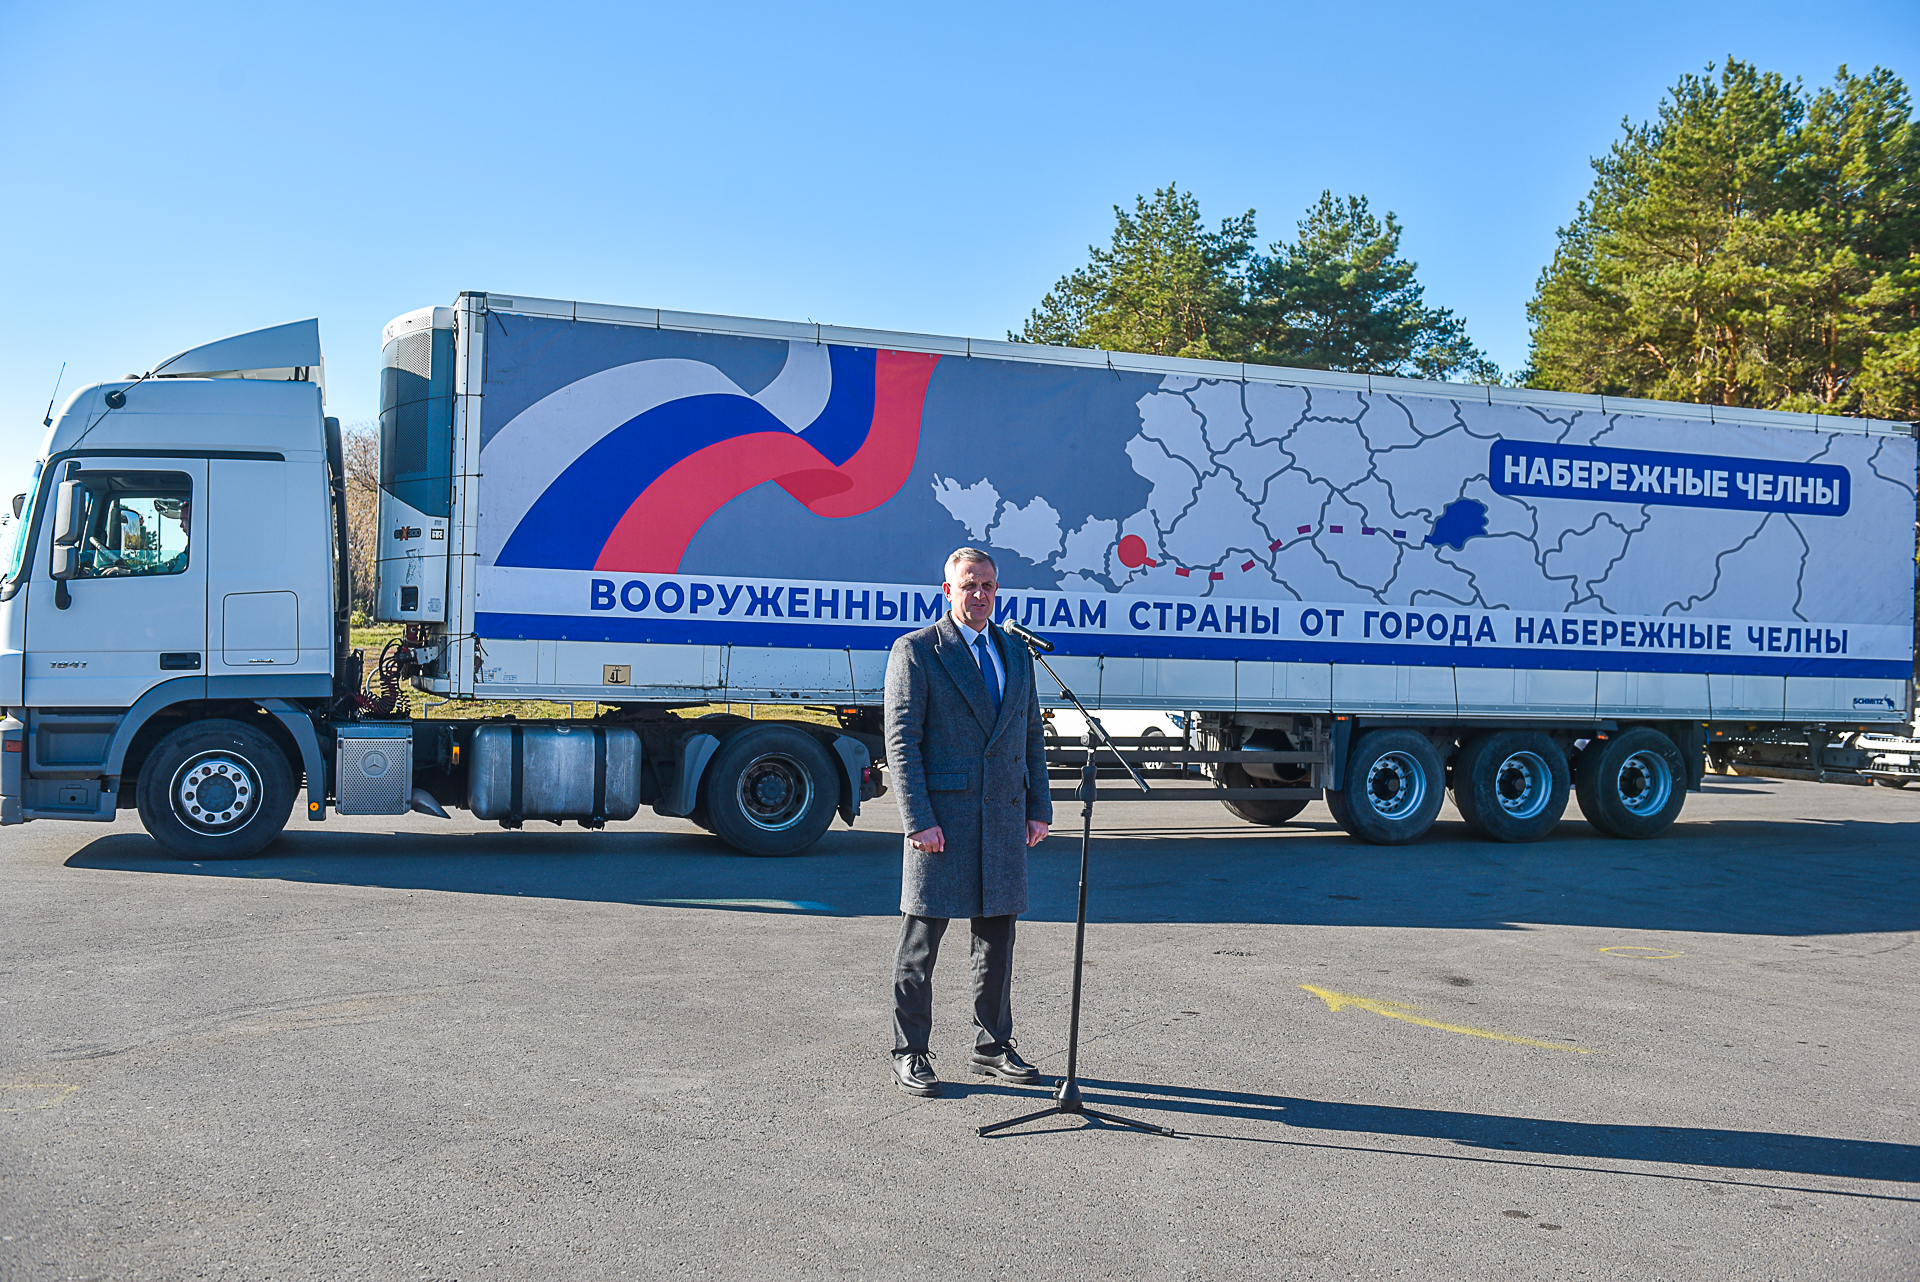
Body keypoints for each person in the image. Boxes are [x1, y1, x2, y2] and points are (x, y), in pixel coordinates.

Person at [883, 547, 1052, 1097]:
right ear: (948, 590)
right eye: (969, 584)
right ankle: (910, 1051)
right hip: (943, 821)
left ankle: (992, 1044)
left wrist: (1038, 807)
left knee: (997, 942)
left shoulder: (1016, 652)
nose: (980, 594)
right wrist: (917, 819)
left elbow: (1029, 734)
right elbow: (902, 742)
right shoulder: (917, 650)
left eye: (988, 586)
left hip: (1003, 817)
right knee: (920, 943)